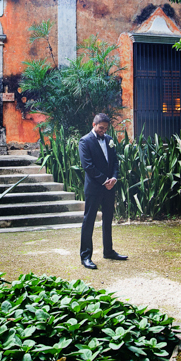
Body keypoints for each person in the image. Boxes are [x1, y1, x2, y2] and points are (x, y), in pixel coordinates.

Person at [78, 113, 127, 269]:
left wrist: (114, 178)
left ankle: (108, 251)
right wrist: (104, 180)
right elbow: (88, 166)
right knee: (89, 220)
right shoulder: (84, 141)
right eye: (101, 128)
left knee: (108, 219)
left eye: (105, 128)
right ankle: (85, 256)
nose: (103, 131)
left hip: (109, 187)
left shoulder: (109, 140)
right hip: (94, 187)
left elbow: (114, 162)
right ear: (94, 125)